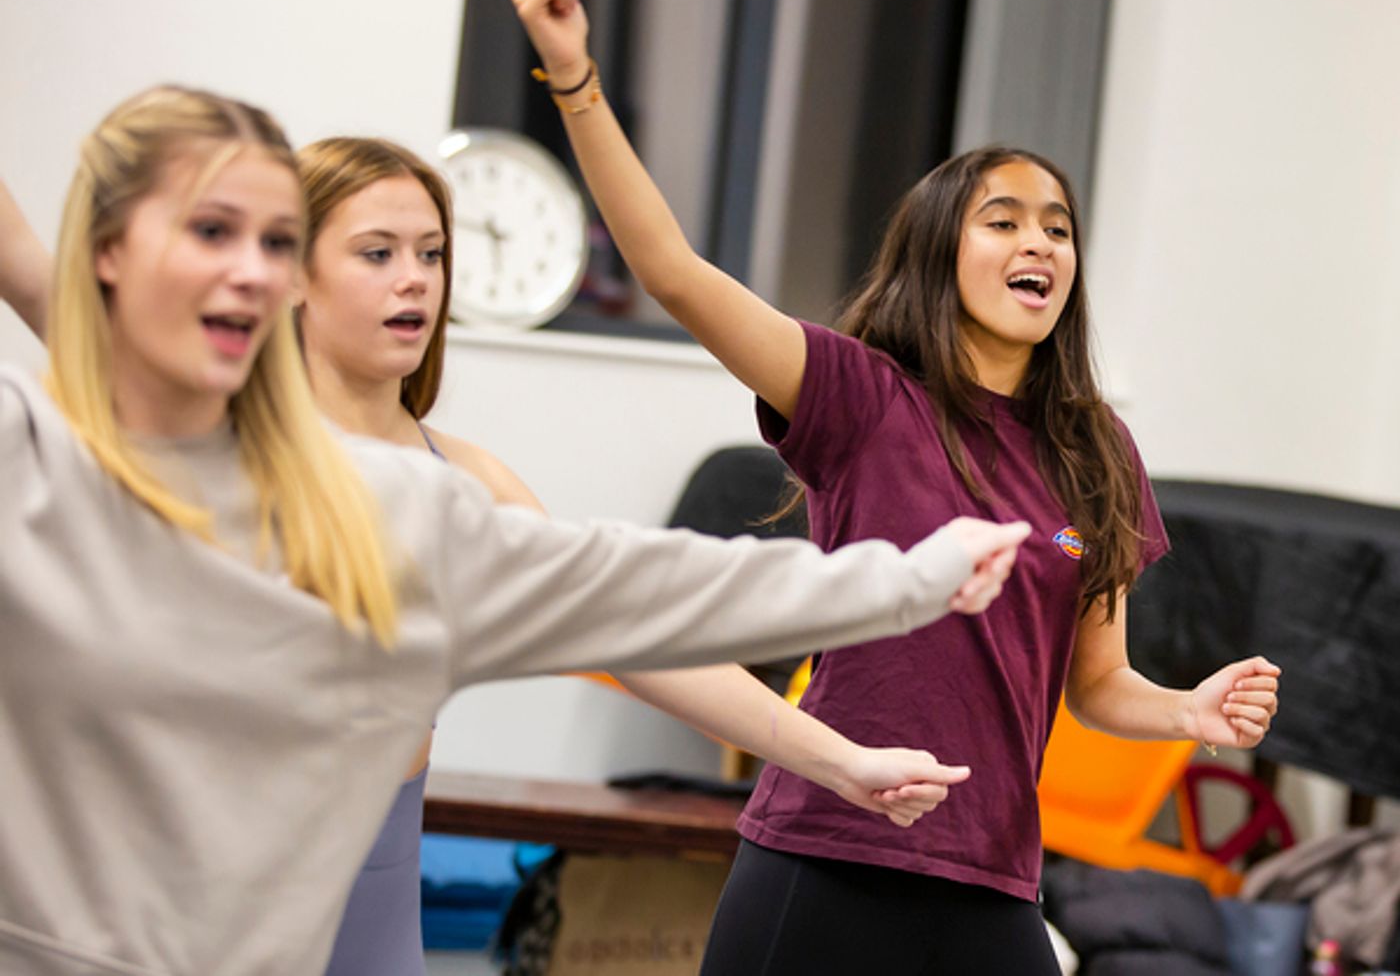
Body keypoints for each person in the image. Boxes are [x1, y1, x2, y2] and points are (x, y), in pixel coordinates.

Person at [0, 84, 1031, 974]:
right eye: (373, 251)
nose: (413, 277)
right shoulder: (98, 444)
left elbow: (636, 600)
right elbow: (67, 303)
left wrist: (886, 620)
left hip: (331, 896)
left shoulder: (429, 495)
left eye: (430, 252)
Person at [511, 0, 1283, 973]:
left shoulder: (1097, 446)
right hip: (822, 853)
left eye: (1056, 227)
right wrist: (576, 77)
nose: (1039, 244)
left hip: (991, 880)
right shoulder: (859, 395)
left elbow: (1095, 683)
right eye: (1002, 220)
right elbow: (672, 271)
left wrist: (1182, 710)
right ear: (937, 251)